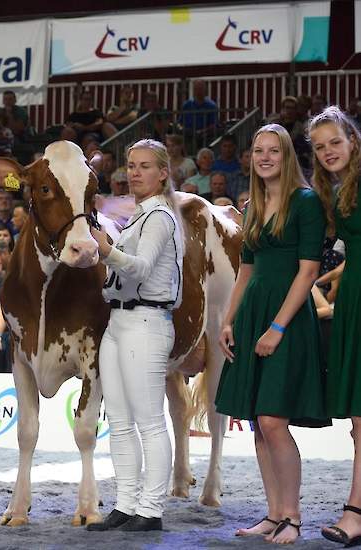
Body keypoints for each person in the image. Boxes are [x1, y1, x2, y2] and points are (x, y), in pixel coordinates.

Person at [214, 124, 328, 545]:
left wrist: (277, 327)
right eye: (257, 151)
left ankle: (293, 517)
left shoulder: (306, 202)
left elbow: (309, 271)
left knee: (273, 420)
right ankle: (274, 513)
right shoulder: (253, 205)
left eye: (272, 151)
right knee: (258, 423)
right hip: (252, 316)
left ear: (286, 156)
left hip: (289, 318)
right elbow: (245, 270)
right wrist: (229, 321)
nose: (264, 157)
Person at [85, 139, 184, 532]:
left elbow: (140, 269)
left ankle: (152, 508)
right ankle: (127, 503)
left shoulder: (160, 216)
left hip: (147, 321)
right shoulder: (139, 216)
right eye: (131, 165)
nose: (135, 173)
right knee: (121, 420)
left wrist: (105, 249)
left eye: (145, 166)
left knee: (148, 420)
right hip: (120, 321)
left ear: (163, 173)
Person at [306, 106, 361, 546]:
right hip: (353, 303)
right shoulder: (336, 191)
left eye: (335, 142)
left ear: (352, 140)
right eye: (320, 146)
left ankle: (355, 510)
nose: (328, 152)